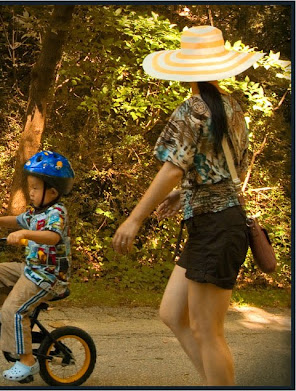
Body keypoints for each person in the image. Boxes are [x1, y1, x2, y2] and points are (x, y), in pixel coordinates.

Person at [112, 25, 264, 386]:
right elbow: (224, 168)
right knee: (172, 313)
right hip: (215, 222)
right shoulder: (231, 106)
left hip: (216, 226)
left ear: (185, 69)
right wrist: (185, 193)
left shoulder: (191, 110)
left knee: (207, 330)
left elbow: (171, 169)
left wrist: (135, 219)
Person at [0, 150, 74, 382]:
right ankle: (9, 323)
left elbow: (52, 237)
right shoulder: (35, 211)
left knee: (15, 309)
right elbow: (17, 220)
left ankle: (28, 361)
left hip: (50, 276)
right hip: (32, 269)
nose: (29, 192)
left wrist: (24, 233)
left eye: (34, 187)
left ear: (52, 191)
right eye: (29, 187)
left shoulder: (57, 213)